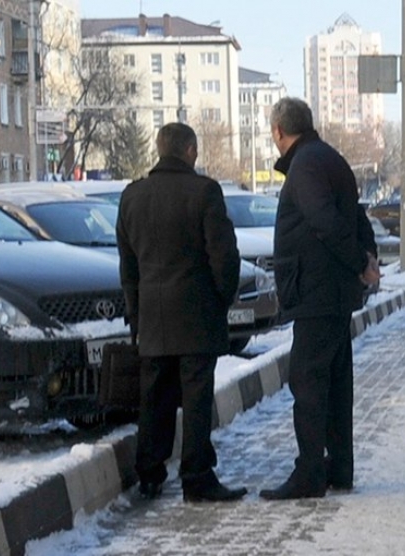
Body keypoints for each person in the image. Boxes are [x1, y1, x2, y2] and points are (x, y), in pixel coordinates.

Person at [117, 122, 248, 503]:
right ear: (190, 150)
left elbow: (128, 264)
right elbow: (224, 256)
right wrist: (221, 299)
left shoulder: (132, 196)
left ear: (160, 150)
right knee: (195, 398)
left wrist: (136, 311)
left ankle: (150, 474)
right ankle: (196, 477)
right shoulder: (204, 192)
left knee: (153, 396)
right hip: (197, 313)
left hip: (152, 316)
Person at [260, 97, 380, 500]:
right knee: (334, 381)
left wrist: (359, 262)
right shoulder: (328, 157)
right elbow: (356, 215)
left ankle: (310, 473)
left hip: (317, 290)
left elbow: (326, 221)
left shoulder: (306, 164)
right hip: (331, 291)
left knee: (308, 382)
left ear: (278, 131)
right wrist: (367, 257)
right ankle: (338, 467)